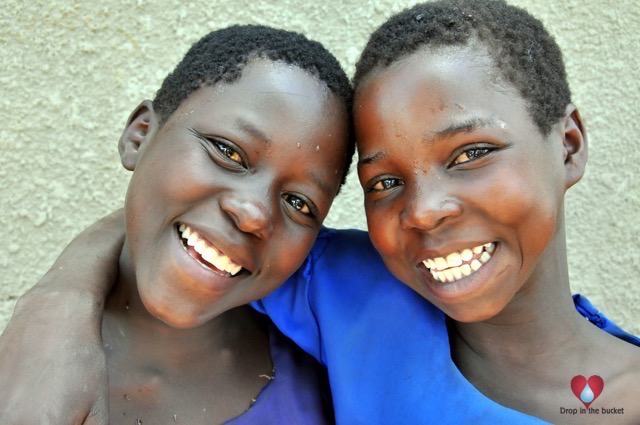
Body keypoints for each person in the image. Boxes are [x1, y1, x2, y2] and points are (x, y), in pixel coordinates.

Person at [2, 1, 639, 424]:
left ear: (570, 146)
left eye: (471, 152)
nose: (425, 211)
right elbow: (178, 224)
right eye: (385, 180)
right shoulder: (351, 292)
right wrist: (55, 309)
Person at [0, 24, 356, 424]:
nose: (254, 213)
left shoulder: (331, 393)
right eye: (228, 152)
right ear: (140, 136)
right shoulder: (21, 375)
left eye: (298, 202)